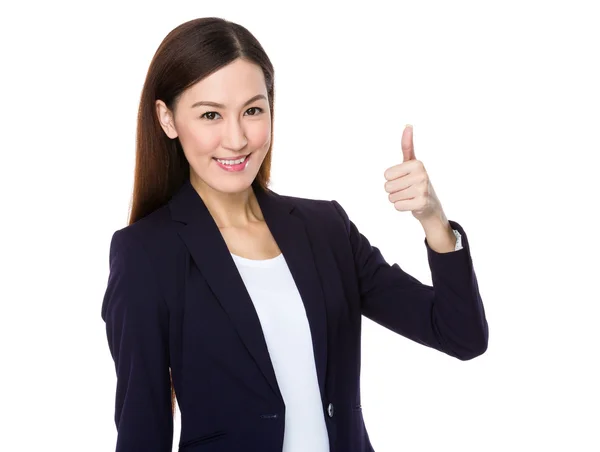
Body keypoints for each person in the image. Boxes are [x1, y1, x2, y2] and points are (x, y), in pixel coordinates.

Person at [100, 16, 488, 452]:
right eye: (211, 114)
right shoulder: (146, 254)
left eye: (252, 110)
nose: (237, 138)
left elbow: (462, 336)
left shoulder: (325, 230)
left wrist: (434, 220)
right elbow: (141, 433)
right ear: (167, 118)